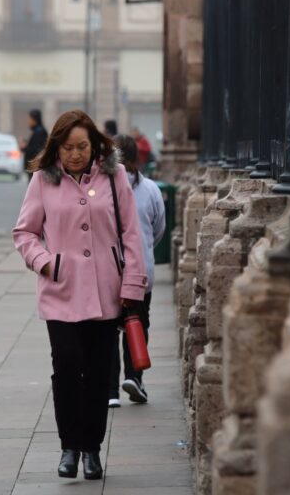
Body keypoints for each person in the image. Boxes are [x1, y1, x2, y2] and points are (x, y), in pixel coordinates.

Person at [13, 110, 148, 481]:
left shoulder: (114, 175)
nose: (75, 154)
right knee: (67, 368)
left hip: (107, 293)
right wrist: (45, 263)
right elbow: (24, 233)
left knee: (98, 373)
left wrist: (132, 286)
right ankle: (68, 447)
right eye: (68, 147)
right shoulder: (43, 180)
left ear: (94, 146)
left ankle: (92, 449)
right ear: (58, 147)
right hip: (60, 291)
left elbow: (132, 234)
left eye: (82, 147)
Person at [108, 134, 166, 408]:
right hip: (142, 272)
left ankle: (110, 389)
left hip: (109, 270)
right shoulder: (151, 189)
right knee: (137, 324)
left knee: (108, 329)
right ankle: (135, 377)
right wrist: (143, 250)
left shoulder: (103, 187)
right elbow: (159, 229)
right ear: (137, 157)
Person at [19, 109, 48, 180]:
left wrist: (25, 147)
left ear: (34, 119)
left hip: (35, 168)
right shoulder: (37, 131)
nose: (28, 121)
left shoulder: (39, 132)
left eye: (29, 119)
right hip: (33, 168)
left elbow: (36, 150)